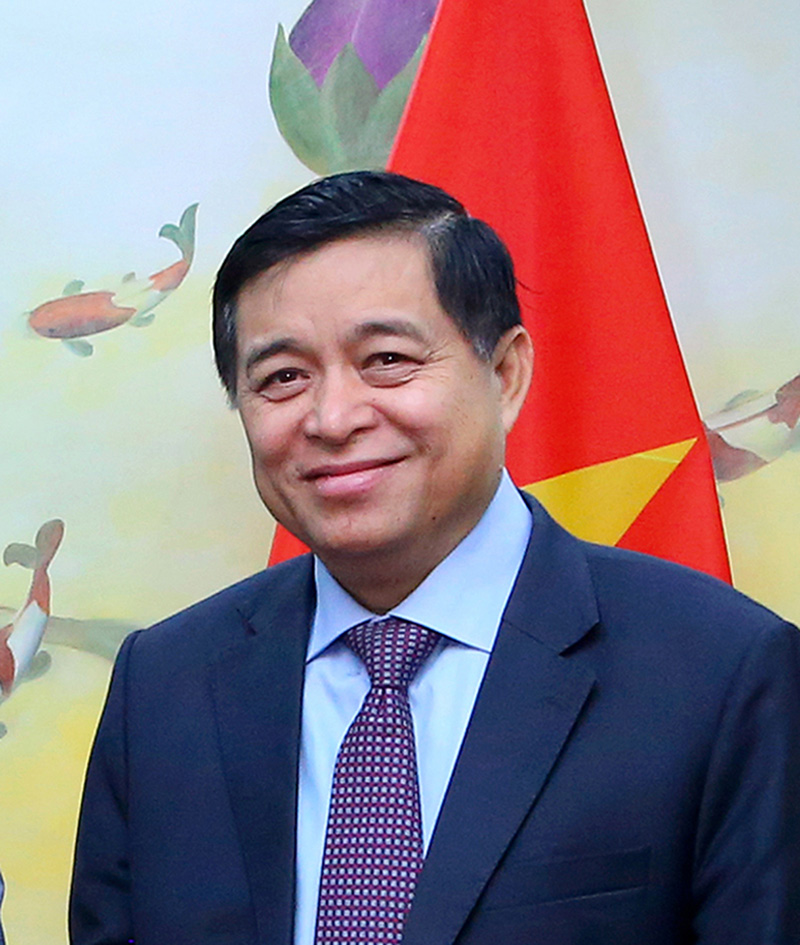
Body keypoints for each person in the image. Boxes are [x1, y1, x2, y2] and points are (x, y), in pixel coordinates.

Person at [70, 171, 800, 945]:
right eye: (283, 377)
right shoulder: (163, 687)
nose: (333, 417)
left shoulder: (723, 672)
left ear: (506, 374)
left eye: (386, 358)